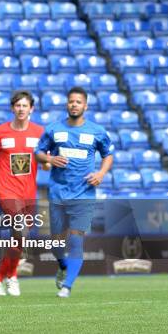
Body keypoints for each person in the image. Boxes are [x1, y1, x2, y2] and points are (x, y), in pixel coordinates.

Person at [35, 86, 113, 298]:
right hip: (59, 193)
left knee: (77, 239)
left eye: (78, 102)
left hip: (84, 194)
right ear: (67, 104)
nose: (74, 105)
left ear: (85, 106)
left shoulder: (96, 131)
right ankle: (62, 266)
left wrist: (101, 174)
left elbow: (108, 155)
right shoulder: (53, 129)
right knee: (56, 244)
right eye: (71, 101)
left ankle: (67, 286)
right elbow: (38, 153)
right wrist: (50, 159)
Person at [0, 90, 48, 296]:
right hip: (6, 190)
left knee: (19, 239)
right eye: (18, 105)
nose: (21, 109)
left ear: (31, 109)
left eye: (25, 106)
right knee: (20, 229)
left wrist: (47, 164)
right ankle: (13, 277)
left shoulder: (39, 132)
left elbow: (46, 159)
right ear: (12, 108)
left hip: (28, 192)